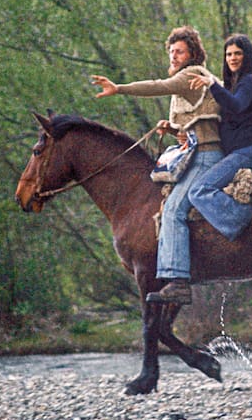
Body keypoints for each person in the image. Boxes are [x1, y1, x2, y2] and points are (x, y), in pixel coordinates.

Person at [91, 26, 222, 306]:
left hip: (206, 157)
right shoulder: (190, 79)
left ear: (192, 54)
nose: (174, 56)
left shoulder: (191, 75)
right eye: (171, 51)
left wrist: (119, 88)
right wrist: (174, 129)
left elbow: (157, 86)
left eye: (179, 51)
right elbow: (199, 122)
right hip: (196, 152)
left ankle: (177, 281)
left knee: (173, 211)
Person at [186, 33, 252, 246]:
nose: (232, 58)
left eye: (238, 53)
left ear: (247, 56)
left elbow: (236, 105)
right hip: (249, 149)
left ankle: (247, 218)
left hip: (249, 152)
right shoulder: (238, 82)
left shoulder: (250, 82)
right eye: (228, 54)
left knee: (199, 191)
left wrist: (212, 84)